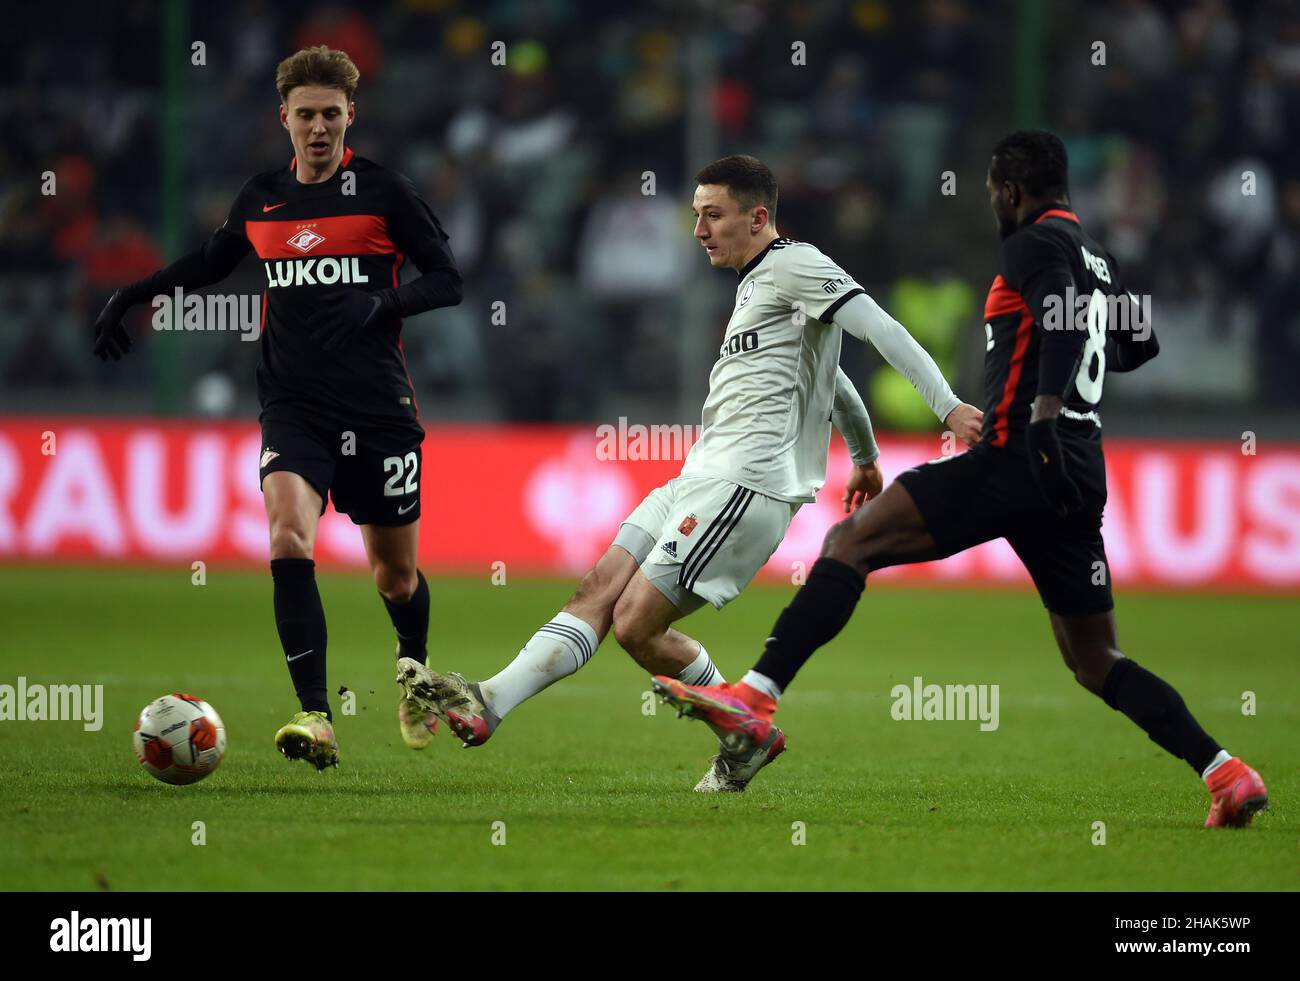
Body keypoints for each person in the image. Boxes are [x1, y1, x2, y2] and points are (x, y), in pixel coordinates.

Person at [654, 131, 1268, 829]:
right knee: (1096, 657)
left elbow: (1063, 324)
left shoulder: (1034, 245)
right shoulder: (1100, 258)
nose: (992, 206)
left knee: (851, 541)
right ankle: (1225, 771)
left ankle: (756, 697)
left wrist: (1040, 411)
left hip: (1017, 456)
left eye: (991, 193)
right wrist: (1073, 357)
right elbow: (1139, 342)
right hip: (1079, 472)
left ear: (1010, 191)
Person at [397, 154, 981, 792]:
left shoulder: (797, 263)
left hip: (746, 484)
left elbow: (881, 328)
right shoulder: (759, 285)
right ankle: (490, 701)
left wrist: (947, 407)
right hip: (697, 475)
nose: (699, 230)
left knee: (636, 625)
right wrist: (865, 458)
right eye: (695, 215)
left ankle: (743, 732)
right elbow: (831, 380)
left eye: (714, 216)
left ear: (758, 218)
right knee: (596, 590)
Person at [92, 46, 463, 769]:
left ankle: (414, 671)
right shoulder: (262, 198)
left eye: (331, 114)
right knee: (289, 536)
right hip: (292, 405)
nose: (318, 128)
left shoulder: (385, 192)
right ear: (283, 117)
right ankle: (316, 714)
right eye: (305, 115)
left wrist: (381, 303)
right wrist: (136, 292)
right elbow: (210, 261)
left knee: (395, 576)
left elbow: (448, 280)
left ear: (350, 115)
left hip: (378, 408)